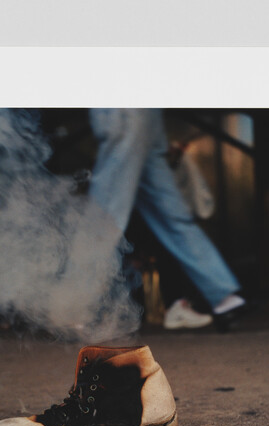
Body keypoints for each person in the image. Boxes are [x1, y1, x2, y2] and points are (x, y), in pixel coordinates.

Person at [88, 108, 246, 331]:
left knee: (173, 214)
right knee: (107, 213)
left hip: (148, 114)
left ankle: (222, 297)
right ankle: (75, 303)